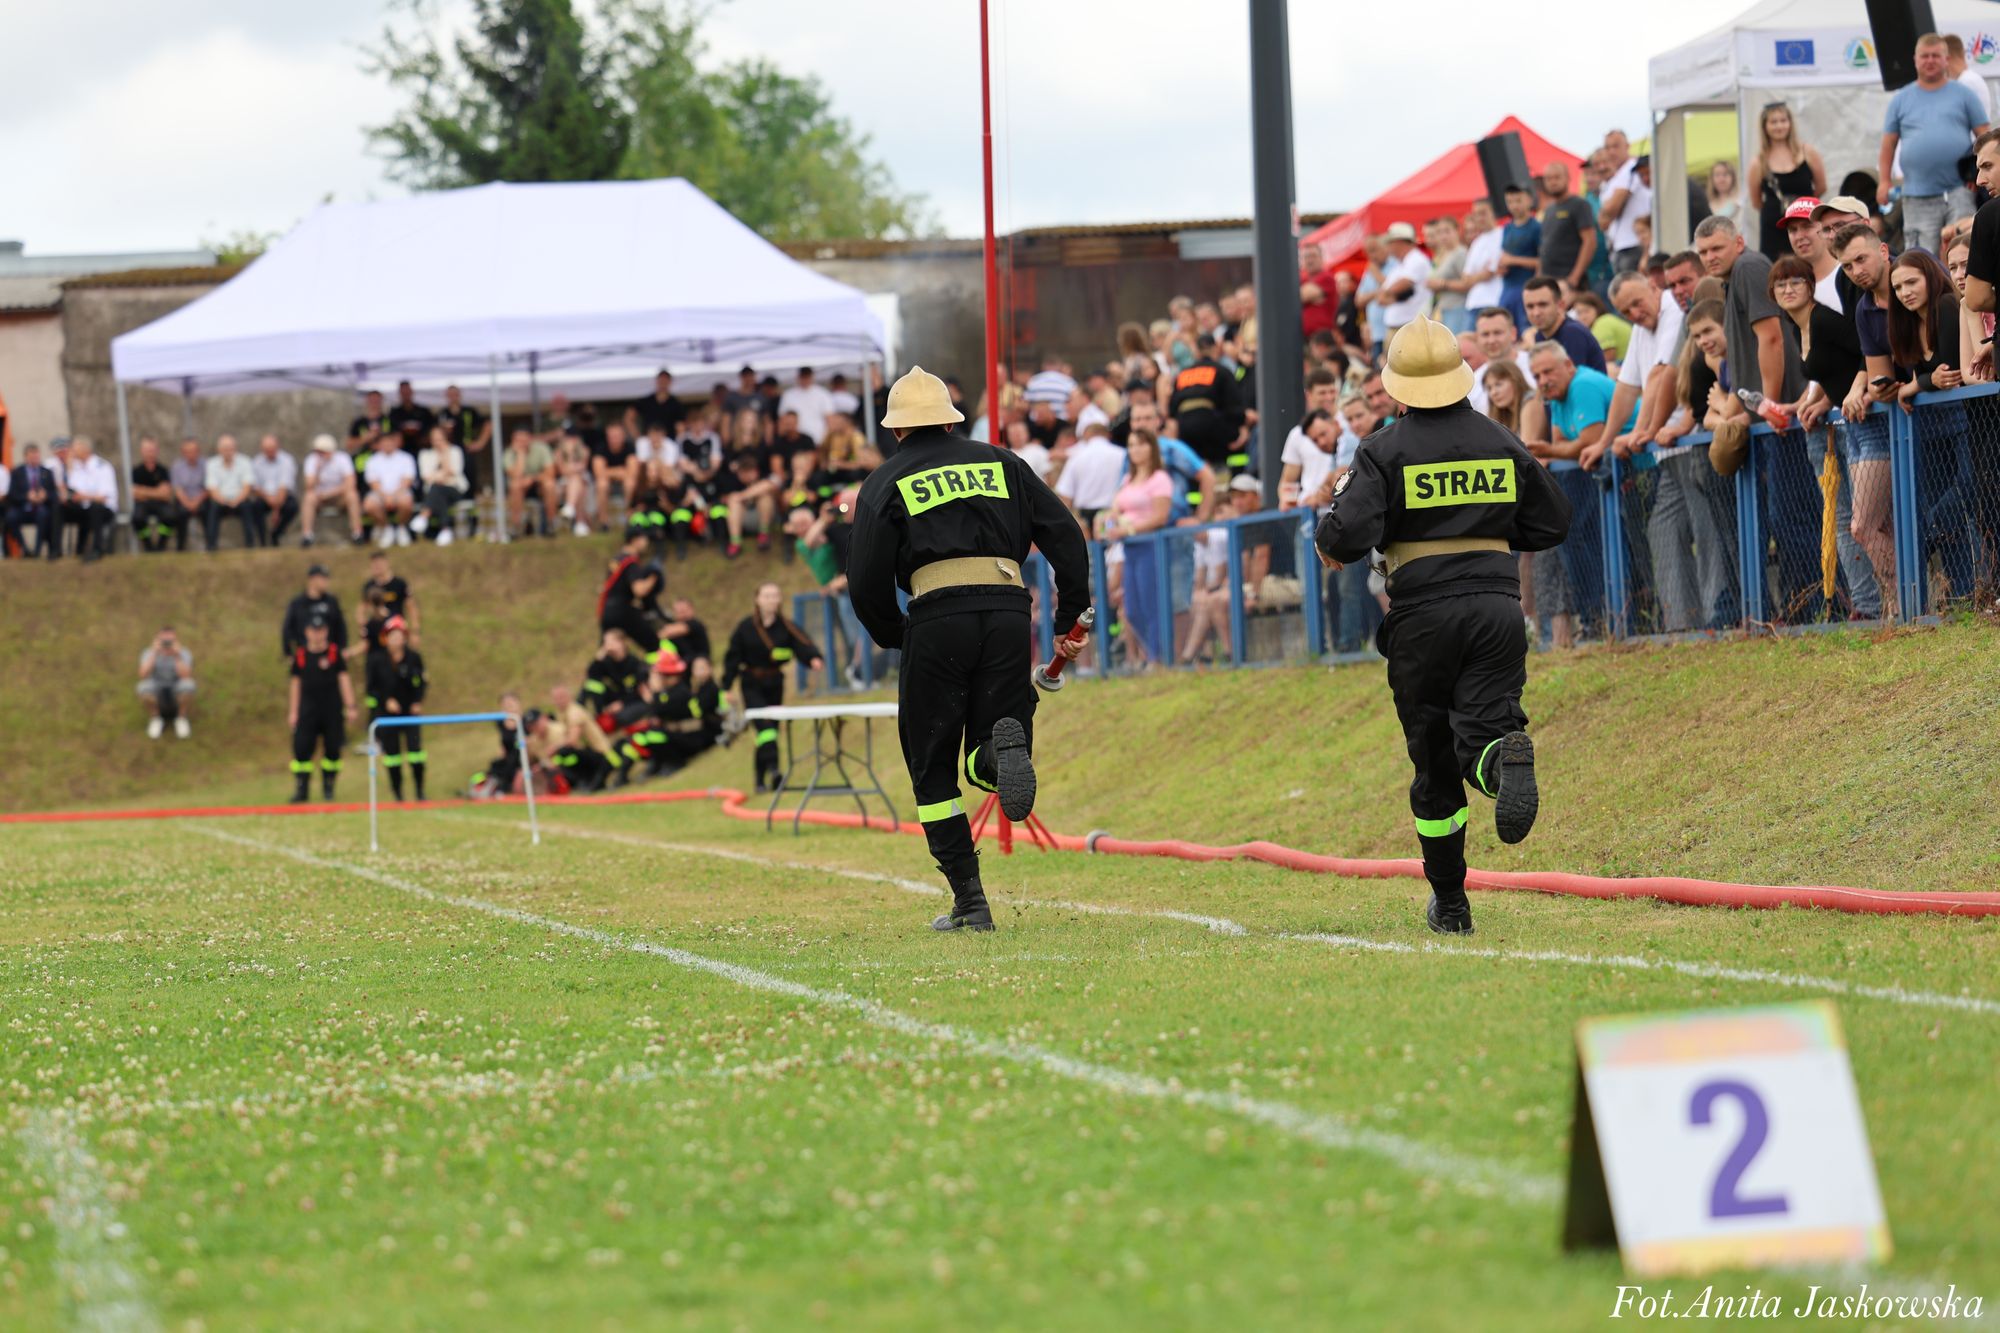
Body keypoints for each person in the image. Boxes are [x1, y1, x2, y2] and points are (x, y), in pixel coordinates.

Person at [1315, 319, 1571, 935]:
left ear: (1396, 386)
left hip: (1422, 614)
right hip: (1497, 607)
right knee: (1486, 725)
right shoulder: (1500, 439)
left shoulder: (1383, 448)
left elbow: (1344, 537)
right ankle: (1497, 760)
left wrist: (1336, 527)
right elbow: (1552, 522)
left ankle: (1451, 905)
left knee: (1432, 762)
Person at [846, 365, 1091, 933]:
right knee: (994, 729)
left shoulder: (884, 481)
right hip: (1008, 608)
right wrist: (1067, 615)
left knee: (932, 772)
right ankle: (995, 754)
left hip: (936, 617)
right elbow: (1066, 535)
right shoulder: (1004, 462)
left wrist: (894, 633)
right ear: (953, 420)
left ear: (897, 430)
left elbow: (865, 581)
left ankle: (971, 902)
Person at [1772, 255, 1885, 618]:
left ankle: (1887, 601)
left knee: (1864, 521)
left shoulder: (1822, 320)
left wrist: (1852, 392)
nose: (1789, 290)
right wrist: (1815, 400)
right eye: (1781, 285)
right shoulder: (1797, 326)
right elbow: (1828, 370)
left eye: (1796, 282)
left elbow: (1865, 352)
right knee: (1847, 520)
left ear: (1810, 286)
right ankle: (1870, 603)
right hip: (1842, 420)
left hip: (1864, 418)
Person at [1880, 35, 1990, 258]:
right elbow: (1888, 144)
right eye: (1925, 56)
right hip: (1916, 195)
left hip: (1959, 190)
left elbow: (1986, 139)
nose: (1930, 61)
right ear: (1915, 60)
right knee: (1921, 259)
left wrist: (1984, 175)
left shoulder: (1964, 94)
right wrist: (1884, 181)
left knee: (1965, 254)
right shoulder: (1901, 99)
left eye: (1936, 56)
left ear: (1946, 59)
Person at [721, 581, 822, 792]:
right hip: (751, 684)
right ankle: (775, 771)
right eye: (766, 595)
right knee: (765, 730)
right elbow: (732, 657)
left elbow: (803, 644)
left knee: (769, 732)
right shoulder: (745, 627)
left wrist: (813, 659)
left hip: (775, 684)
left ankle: (759, 780)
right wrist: (727, 686)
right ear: (757, 599)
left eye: (775, 595)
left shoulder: (787, 626)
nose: (771, 600)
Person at [1099, 429, 1175, 667]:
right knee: (1131, 609)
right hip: (1129, 548)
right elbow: (1114, 509)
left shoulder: (1160, 479)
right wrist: (1111, 524)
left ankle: (1157, 657)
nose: (1135, 450)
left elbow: (1160, 517)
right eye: (1131, 445)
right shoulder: (1127, 480)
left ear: (1152, 448)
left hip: (1150, 545)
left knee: (1151, 604)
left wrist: (1129, 529)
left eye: (1141, 444)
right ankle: (1151, 653)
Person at [287, 617, 355, 804]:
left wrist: (351, 706)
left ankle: (329, 787)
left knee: (333, 750)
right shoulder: (300, 656)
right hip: (307, 711)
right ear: (307, 632)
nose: (317, 633)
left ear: (326, 631)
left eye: (321, 629)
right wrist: (293, 711)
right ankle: (302, 789)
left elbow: (344, 679)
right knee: (301, 750)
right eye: (313, 629)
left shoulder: (334, 654)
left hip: (332, 710)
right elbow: (295, 684)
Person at [1748, 102, 1827, 260]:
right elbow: (1756, 201)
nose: (1779, 126)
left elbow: (1821, 186)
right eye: (1774, 122)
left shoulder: (1807, 152)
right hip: (1773, 229)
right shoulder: (1758, 162)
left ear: (1790, 123)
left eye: (1783, 121)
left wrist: (1801, 203)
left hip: (1806, 222)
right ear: (1765, 126)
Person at [366, 615, 428, 802]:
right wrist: (385, 701)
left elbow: (421, 682)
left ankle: (419, 791)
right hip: (387, 717)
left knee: (416, 753)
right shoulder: (377, 660)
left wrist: (418, 701)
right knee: (392, 757)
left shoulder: (414, 658)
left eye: (399, 635)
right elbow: (371, 688)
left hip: (410, 714)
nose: (396, 639)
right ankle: (398, 794)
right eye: (392, 635)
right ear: (386, 637)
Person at [1166, 335, 1247, 471]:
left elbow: (1172, 410)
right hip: (1213, 429)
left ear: (1196, 351)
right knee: (1237, 449)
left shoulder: (1183, 374)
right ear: (1216, 349)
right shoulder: (1222, 371)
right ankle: (1235, 482)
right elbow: (1234, 407)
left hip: (1185, 429)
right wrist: (1242, 426)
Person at [1522, 276, 1606, 373]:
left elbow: (1570, 382)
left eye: (1543, 305)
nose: (1536, 313)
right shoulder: (1539, 336)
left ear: (1560, 305)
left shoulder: (1574, 333)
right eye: (1530, 307)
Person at [1599, 130, 1652, 274]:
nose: (1611, 152)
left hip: (1634, 244)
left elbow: (1610, 209)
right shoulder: (1615, 177)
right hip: (1620, 247)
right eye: (1607, 147)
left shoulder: (1631, 168)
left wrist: (1608, 209)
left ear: (1627, 146)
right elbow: (1602, 222)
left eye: (1616, 146)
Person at [1376, 221, 1435, 346]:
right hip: (1401, 326)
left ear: (1398, 242)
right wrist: (1392, 294)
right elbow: (1382, 296)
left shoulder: (1417, 260)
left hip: (1409, 327)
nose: (1387, 246)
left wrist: (1390, 294)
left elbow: (1401, 285)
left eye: (1389, 242)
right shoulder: (1400, 264)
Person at [301, 434, 363, 548]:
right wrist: (317, 469)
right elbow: (309, 486)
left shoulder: (343, 458)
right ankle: (307, 536)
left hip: (338, 497)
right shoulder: (312, 460)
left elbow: (350, 483)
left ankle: (357, 534)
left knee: (352, 496)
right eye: (318, 452)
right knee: (309, 497)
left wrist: (328, 494)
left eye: (322, 452)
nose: (320, 455)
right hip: (319, 498)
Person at [61, 436, 117, 561]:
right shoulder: (76, 467)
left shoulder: (102, 467)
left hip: (103, 509)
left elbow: (103, 498)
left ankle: (97, 549)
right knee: (60, 507)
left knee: (95, 508)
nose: (73, 452)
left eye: (75, 449)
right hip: (85, 507)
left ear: (85, 450)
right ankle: (57, 551)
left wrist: (83, 497)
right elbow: (74, 491)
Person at [137, 626, 195, 739]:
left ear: (176, 641)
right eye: (164, 641)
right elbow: (143, 675)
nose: (167, 644)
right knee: (143, 687)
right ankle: (156, 718)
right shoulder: (148, 652)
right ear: (157, 640)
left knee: (188, 685)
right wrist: (154, 653)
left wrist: (177, 656)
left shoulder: (184, 653)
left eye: (170, 641)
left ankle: (181, 718)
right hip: (157, 690)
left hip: (176, 689)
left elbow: (186, 676)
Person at [414, 425, 468, 545]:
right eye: (434, 439)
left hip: (454, 490)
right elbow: (425, 476)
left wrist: (445, 453)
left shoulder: (455, 451)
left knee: (437, 488)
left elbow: (454, 471)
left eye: (440, 439)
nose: (437, 442)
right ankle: (445, 530)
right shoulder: (425, 454)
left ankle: (424, 515)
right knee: (439, 491)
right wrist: (442, 476)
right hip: (435, 492)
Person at [281, 563, 349, 659]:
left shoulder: (331, 601)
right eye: (323, 578)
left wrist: (343, 648)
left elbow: (341, 627)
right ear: (312, 579)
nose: (326, 581)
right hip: (305, 658)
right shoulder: (297, 603)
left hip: (330, 657)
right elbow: (287, 629)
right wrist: (288, 653)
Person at [201, 435, 257, 550]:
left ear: (235, 448)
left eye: (230, 449)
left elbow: (247, 487)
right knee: (212, 507)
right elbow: (212, 489)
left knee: (248, 507)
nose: (228, 452)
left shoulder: (245, 461)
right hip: (221, 500)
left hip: (240, 499)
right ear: (219, 450)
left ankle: (250, 545)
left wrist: (236, 501)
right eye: (225, 449)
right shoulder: (212, 464)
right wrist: (225, 501)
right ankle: (211, 546)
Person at [363, 433, 418, 548]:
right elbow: (373, 483)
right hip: (380, 493)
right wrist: (385, 496)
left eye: (390, 442)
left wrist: (393, 496)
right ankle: (386, 528)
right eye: (384, 442)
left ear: (395, 443)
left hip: (400, 492)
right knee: (369, 505)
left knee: (406, 503)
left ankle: (401, 528)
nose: (387, 444)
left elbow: (407, 480)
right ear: (379, 445)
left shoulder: (406, 458)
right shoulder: (373, 460)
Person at [5, 443, 58, 559]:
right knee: (10, 517)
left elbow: (54, 494)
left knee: (44, 514)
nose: (35, 458)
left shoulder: (46, 472)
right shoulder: (17, 472)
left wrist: (45, 495)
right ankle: (25, 548)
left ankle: (37, 551)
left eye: (37, 455)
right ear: (26, 456)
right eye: (32, 455)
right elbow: (12, 494)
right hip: (23, 508)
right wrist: (27, 497)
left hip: (41, 508)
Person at [503, 427, 557, 537]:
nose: (521, 444)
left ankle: (551, 525)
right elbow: (515, 475)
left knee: (550, 485)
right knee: (515, 486)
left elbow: (550, 472)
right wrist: (521, 455)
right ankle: (516, 527)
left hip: (539, 484)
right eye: (518, 441)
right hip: (521, 486)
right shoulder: (509, 453)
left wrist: (532, 478)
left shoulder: (541, 448)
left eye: (524, 440)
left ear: (530, 439)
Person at [247, 434, 299, 548]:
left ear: (278, 447)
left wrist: (276, 510)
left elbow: (284, 485)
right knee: (255, 507)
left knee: (293, 507)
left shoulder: (287, 460)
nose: (270, 452)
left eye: (272, 449)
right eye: (267, 450)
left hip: (283, 496)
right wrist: (268, 498)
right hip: (265, 497)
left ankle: (276, 534)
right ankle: (263, 541)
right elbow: (255, 486)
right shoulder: (256, 462)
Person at [129, 437, 175, 553]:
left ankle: (161, 546)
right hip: (142, 504)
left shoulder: (163, 470)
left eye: (152, 450)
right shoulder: (136, 471)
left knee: (170, 517)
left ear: (157, 451)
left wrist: (144, 490)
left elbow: (166, 494)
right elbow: (135, 494)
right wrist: (157, 492)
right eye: (147, 450)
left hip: (160, 504)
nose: (150, 453)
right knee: (137, 519)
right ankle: (148, 546)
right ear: (142, 451)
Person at [361, 551, 418, 641]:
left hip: (397, 630)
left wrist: (415, 631)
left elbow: (411, 607)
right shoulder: (369, 586)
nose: (377, 567)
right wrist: (363, 626)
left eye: (379, 564)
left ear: (386, 563)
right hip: (376, 631)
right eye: (374, 564)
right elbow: (362, 608)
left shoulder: (399, 583)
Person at [1705, 160, 1745, 231]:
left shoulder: (1740, 202)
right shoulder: (1707, 203)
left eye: (1725, 174)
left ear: (1733, 177)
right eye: (1717, 175)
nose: (1721, 179)